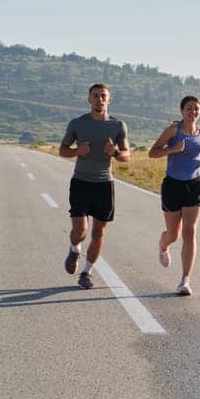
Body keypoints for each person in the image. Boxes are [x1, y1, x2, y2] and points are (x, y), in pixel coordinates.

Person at [58, 83, 130, 289]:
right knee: (80, 229)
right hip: (81, 181)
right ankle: (74, 249)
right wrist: (77, 151)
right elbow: (63, 150)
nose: (99, 99)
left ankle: (86, 273)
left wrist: (114, 153)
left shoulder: (118, 126)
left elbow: (126, 155)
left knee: (98, 233)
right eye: (95, 96)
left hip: (104, 184)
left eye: (103, 96)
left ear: (109, 100)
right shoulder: (77, 124)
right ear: (89, 99)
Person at [148, 95, 200, 295]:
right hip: (172, 185)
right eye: (189, 108)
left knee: (190, 232)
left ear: (199, 112)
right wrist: (173, 149)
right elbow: (152, 152)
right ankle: (163, 245)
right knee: (174, 234)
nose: (192, 112)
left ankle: (185, 280)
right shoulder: (173, 130)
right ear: (182, 110)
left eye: (196, 109)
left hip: (194, 184)